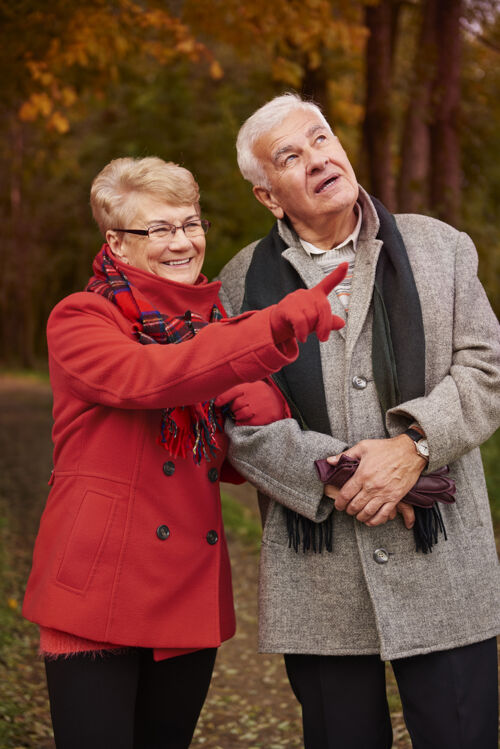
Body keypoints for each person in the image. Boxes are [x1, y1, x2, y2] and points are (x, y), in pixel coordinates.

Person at [22, 155, 347, 749]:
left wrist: (267, 410)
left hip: (183, 595)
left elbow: (225, 461)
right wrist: (268, 332)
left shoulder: (215, 327)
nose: (182, 242)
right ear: (118, 245)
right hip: (97, 591)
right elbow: (151, 378)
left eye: (190, 223)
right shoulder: (82, 318)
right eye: (159, 229)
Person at [217, 94, 500, 749]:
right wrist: (342, 472)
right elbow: (240, 418)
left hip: (445, 556)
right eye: (290, 156)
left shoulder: (442, 248)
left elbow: (487, 369)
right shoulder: (238, 286)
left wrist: (415, 447)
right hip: (320, 574)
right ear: (267, 196)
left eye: (320, 138)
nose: (317, 158)